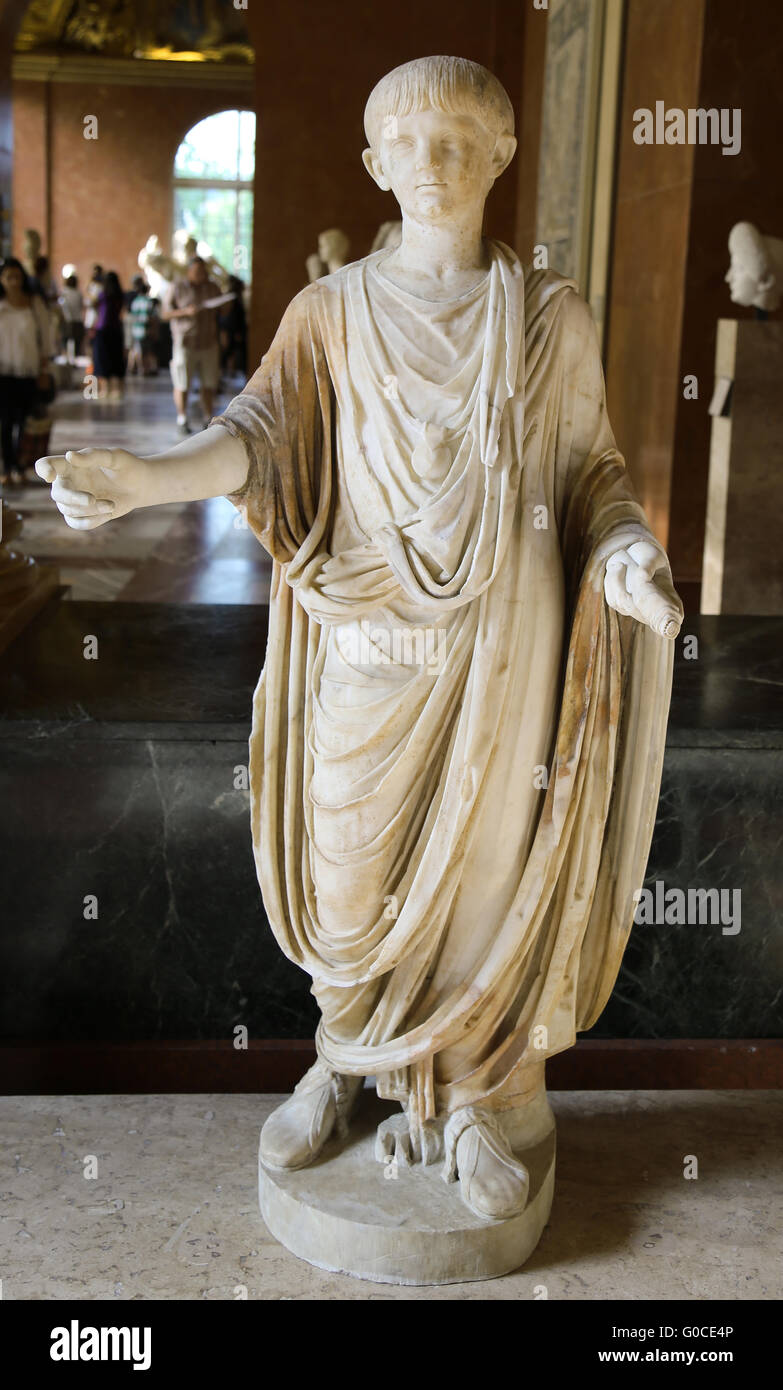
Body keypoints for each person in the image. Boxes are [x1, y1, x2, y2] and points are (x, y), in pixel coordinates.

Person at [37, 57, 682, 1225]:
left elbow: (591, 475)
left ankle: (485, 1091)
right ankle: (344, 1057)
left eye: (457, 142)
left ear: (498, 158)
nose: (431, 165)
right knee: (350, 874)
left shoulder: (547, 317)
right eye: (406, 144)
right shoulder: (327, 314)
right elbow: (258, 438)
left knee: (486, 879)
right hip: (361, 639)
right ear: (376, 165)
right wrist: (143, 480)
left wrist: (627, 554)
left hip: (503, 638)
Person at [0, 256, 53, 484]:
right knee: (4, 422)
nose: (13, 281)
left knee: (24, 421)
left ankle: (20, 467)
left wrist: (44, 368)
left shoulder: (34, 304)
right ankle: (6, 467)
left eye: (17, 276)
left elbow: (46, 337)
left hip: (28, 370)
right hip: (2, 372)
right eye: (8, 277)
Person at [162, 255, 221, 433]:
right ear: (189, 271)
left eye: (203, 271)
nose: (201, 274)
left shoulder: (212, 287)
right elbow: (165, 313)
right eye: (197, 271)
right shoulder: (177, 287)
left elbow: (224, 309)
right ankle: (182, 418)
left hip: (208, 342)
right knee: (182, 382)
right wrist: (185, 312)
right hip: (185, 342)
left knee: (209, 383)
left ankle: (207, 417)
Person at [92, 270, 126, 401]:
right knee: (116, 358)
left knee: (102, 359)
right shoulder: (119, 295)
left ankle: (105, 389)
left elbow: (94, 304)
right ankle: (117, 389)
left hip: (102, 330)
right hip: (116, 329)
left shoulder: (102, 295)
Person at [127, 276, 159, 377]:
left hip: (136, 329)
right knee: (146, 350)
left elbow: (133, 315)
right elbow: (151, 317)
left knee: (137, 349)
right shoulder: (148, 302)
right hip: (145, 329)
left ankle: (136, 367)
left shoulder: (135, 302)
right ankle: (145, 368)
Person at [218, 275, 247, 382]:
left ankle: (228, 373)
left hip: (235, 331)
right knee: (226, 355)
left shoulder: (235, 298)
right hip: (231, 331)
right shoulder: (231, 298)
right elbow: (228, 318)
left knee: (229, 354)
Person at [59, 273, 84, 361]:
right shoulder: (78, 293)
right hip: (77, 320)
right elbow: (81, 306)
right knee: (76, 343)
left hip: (67, 320)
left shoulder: (64, 292)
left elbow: (61, 305)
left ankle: (67, 360)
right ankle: (73, 360)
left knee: (65, 341)